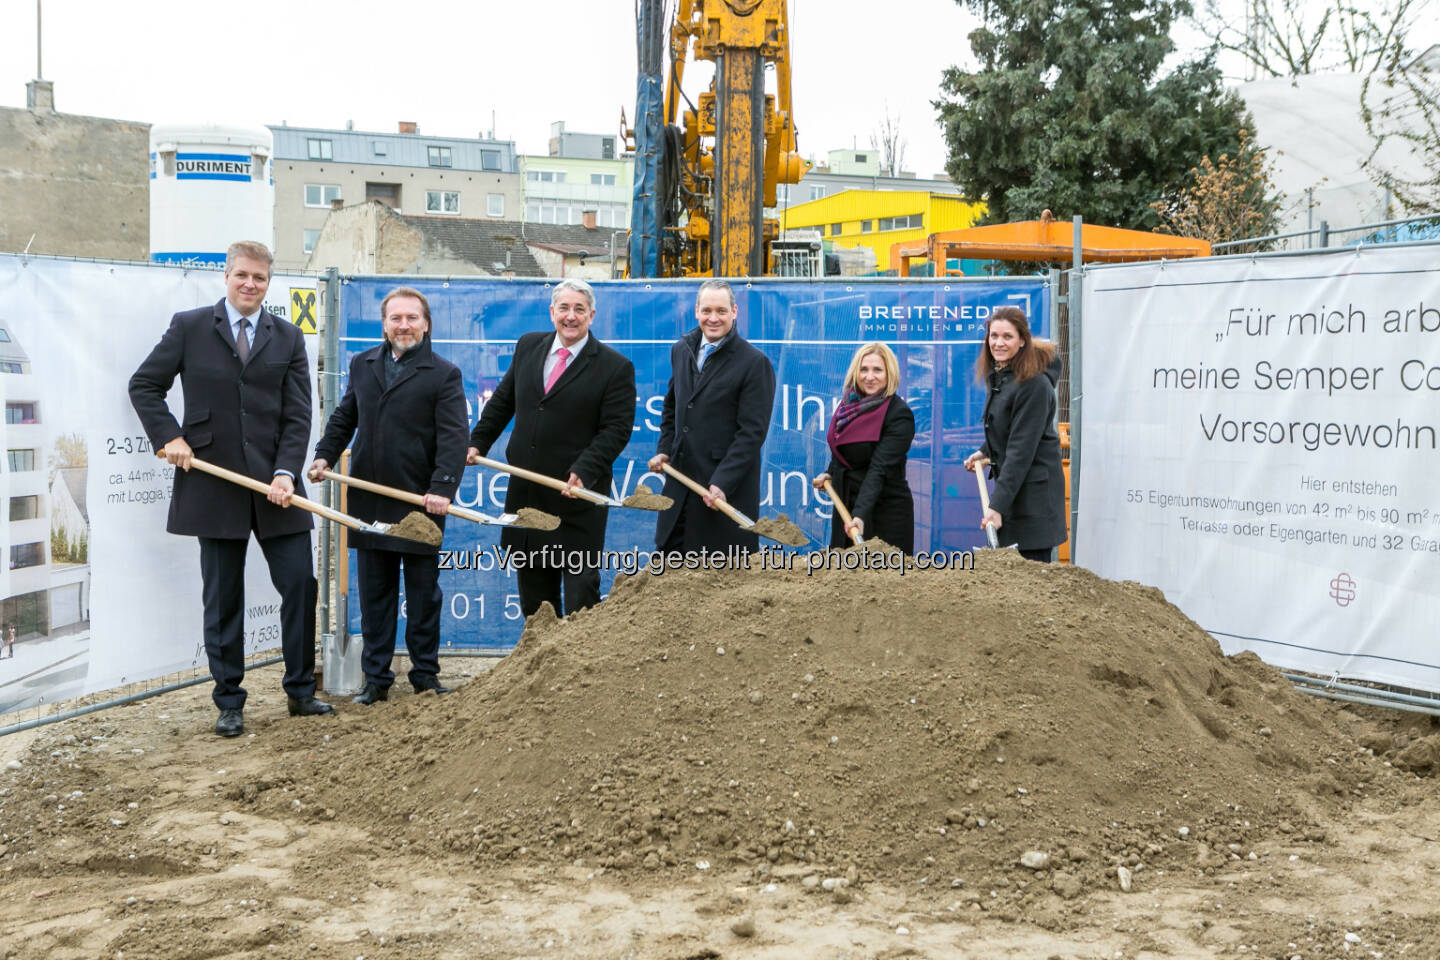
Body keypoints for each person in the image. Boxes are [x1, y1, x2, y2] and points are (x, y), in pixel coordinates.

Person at [129, 240, 332, 738]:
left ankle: (301, 691)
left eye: (260, 278)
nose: (250, 284)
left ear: (268, 282)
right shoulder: (190, 327)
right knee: (223, 597)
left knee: (300, 584)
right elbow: (144, 385)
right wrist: (170, 436)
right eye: (242, 275)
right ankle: (229, 701)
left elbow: (298, 413)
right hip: (213, 481)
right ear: (226, 276)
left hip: (274, 484)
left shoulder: (286, 336)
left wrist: (287, 471)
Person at [309, 287, 468, 705]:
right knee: (375, 596)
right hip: (369, 502)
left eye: (411, 318)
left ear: (426, 323)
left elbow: (454, 439)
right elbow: (346, 416)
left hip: (420, 504)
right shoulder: (362, 365)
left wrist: (441, 490)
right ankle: (376, 679)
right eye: (395, 318)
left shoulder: (443, 373)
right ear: (385, 324)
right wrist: (324, 455)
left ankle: (424, 675)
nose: (403, 326)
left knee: (422, 597)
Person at [466, 279, 636, 619]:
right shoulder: (528, 346)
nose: (570, 316)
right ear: (552, 312)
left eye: (579, 309)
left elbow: (615, 430)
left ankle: (579, 668)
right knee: (536, 605)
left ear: (592, 315)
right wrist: (477, 442)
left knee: (581, 598)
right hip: (527, 496)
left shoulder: (614, 367)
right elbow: (503, 402)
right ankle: (540, 666)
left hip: (576, 500)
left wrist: (584, 470)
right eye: (564, 308)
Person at [648, 279, 777, 558]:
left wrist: (723, 481)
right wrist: (664, 451)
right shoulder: (680, 351)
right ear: (696, 311)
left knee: (718, 585)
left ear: (734, 312)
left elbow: (751, 434)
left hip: (721, 497)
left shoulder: (754, 363)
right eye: (706, 310)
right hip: (678, 492)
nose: (713, 318)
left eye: (721, 311)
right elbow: (672, 408)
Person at [963, 305, 1067, 561]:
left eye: (1007, 336)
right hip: (1013, 495)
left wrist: (996, 507)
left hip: (1033, 502)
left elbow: (1021, 448)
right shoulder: (1002, 376)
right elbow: (1007, 427)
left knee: (1031, 586)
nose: (998, 343)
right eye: (993, 336)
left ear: (1022, 341)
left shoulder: (1034, 385)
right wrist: (984, 451)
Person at [812, 342, 916, 552]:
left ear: (890, 374)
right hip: (846, 508)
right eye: (864, 369)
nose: (869, 376)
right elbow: (842, 450)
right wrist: (830, 473)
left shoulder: (898, 414)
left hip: (883, 514)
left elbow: (879, 470)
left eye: (877, 370)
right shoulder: (847, 406)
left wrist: (860, 515)